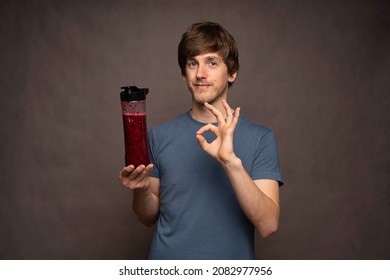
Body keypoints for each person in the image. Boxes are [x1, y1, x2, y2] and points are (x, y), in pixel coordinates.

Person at [119, 21, 283, 260]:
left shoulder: (260, 138)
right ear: (184, 74)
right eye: (192, 63)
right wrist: (142, 190)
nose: (200, 73)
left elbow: (268, 225)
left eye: (212, 63)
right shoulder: (157, 137)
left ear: (232, 73)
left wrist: (230, 162)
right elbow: (147, 217)